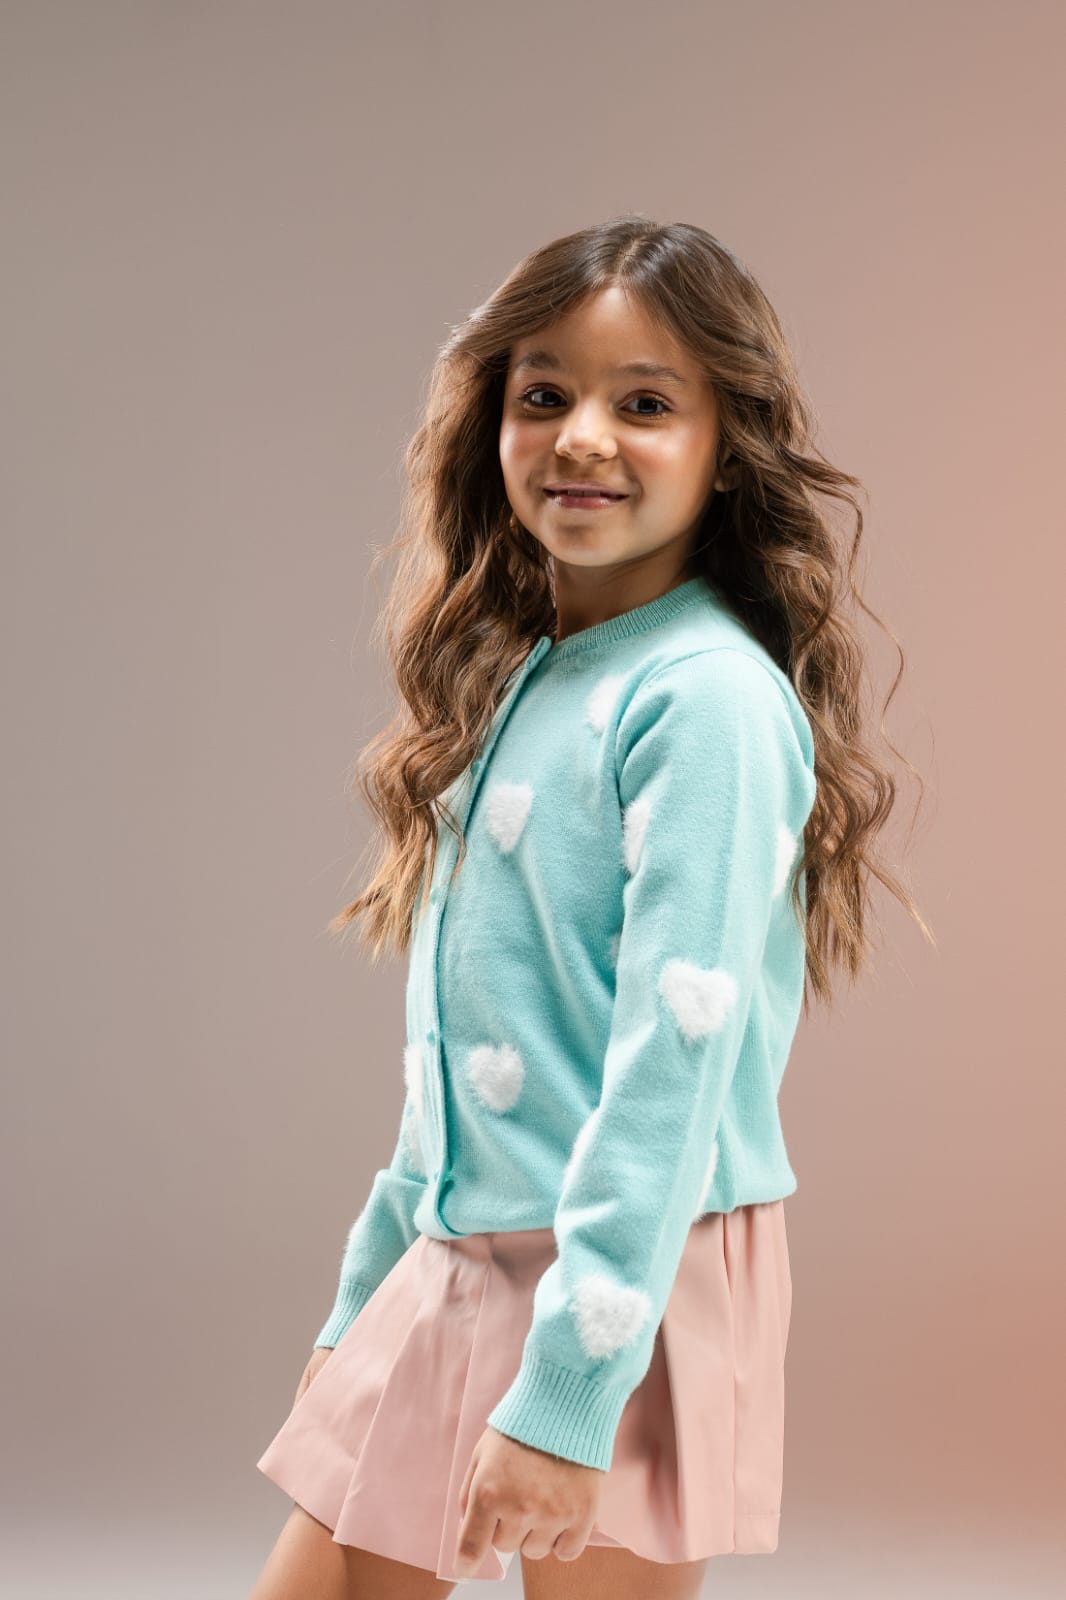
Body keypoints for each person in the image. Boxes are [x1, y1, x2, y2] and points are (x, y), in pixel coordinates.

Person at [250, 216, 930, 1600]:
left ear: (727, 445)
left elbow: (671, 1068)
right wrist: (360, 1304)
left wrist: (570, 1393)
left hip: (630, 1280)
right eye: (545, 394)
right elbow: (459, 1061)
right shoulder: (521, 683)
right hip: (460, 1254)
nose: (581, 438)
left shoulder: (706, 700)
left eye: (645, 404)